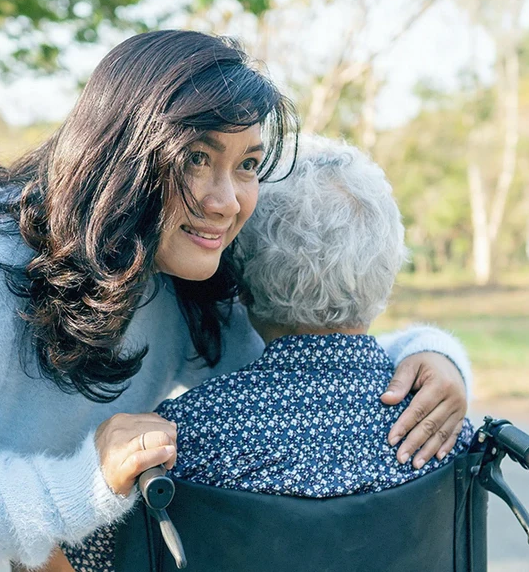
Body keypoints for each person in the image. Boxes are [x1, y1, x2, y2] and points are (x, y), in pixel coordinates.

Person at [0, 31, 472, 572]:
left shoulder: (180, 263)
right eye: (195, 158)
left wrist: (428, 356)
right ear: (124, 155)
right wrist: (81, 485)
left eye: (246, 163)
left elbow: (295, 353)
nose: (226, 198)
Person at [56, 135, 475, 572]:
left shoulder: (173, 445)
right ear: (387, 269)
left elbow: (62, 559)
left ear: (242, 282)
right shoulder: (442, 426)